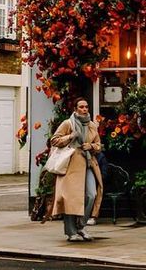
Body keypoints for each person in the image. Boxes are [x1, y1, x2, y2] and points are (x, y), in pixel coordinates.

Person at [50, 97, 103, 242]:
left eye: (86, 107)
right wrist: (71, 136)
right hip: (71, 166)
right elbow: (54, 140)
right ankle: (71, 232)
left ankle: (81, 225)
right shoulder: (68, 123)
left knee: (91, 195)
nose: (85, 109)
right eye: (81, 107)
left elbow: (99, 145)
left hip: (88, 163)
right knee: (71, 199)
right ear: (75, 109)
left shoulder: (92, 125)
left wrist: (91, 146)